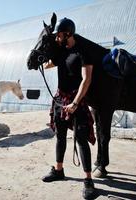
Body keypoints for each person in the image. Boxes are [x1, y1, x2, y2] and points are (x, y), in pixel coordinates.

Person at [41, 17, 97, 199]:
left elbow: (86, 79)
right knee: (60, 136)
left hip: (76, 101)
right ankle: (59, 170)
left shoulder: (83, 51)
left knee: (81, 139)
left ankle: (88, 180)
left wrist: (75, 103)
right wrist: (40, 59)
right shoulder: (60, 51)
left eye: (59, 35)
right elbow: (48, 64)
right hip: (60, 98)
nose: (57, 38)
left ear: (68, 34)